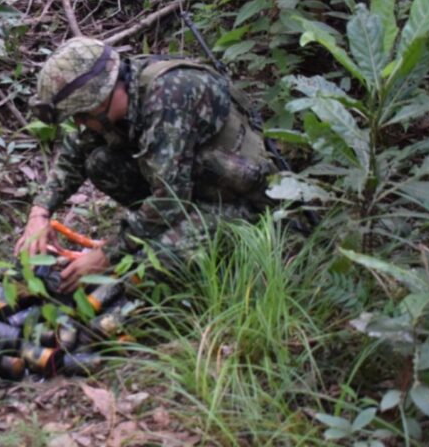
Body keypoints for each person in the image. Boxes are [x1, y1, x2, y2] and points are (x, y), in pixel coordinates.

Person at [15, 37, 276, 292]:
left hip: (243, 203)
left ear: (103, 96)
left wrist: (106, 255)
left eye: (83, 115)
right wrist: (40, 213)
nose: (81, 123)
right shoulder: (124, 85)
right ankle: (151, 234)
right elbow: (74, 153)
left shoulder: (169, 98)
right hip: (191, 188)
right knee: (100, 162)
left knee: (147, 266)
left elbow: (170, 200)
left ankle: (191, 246)